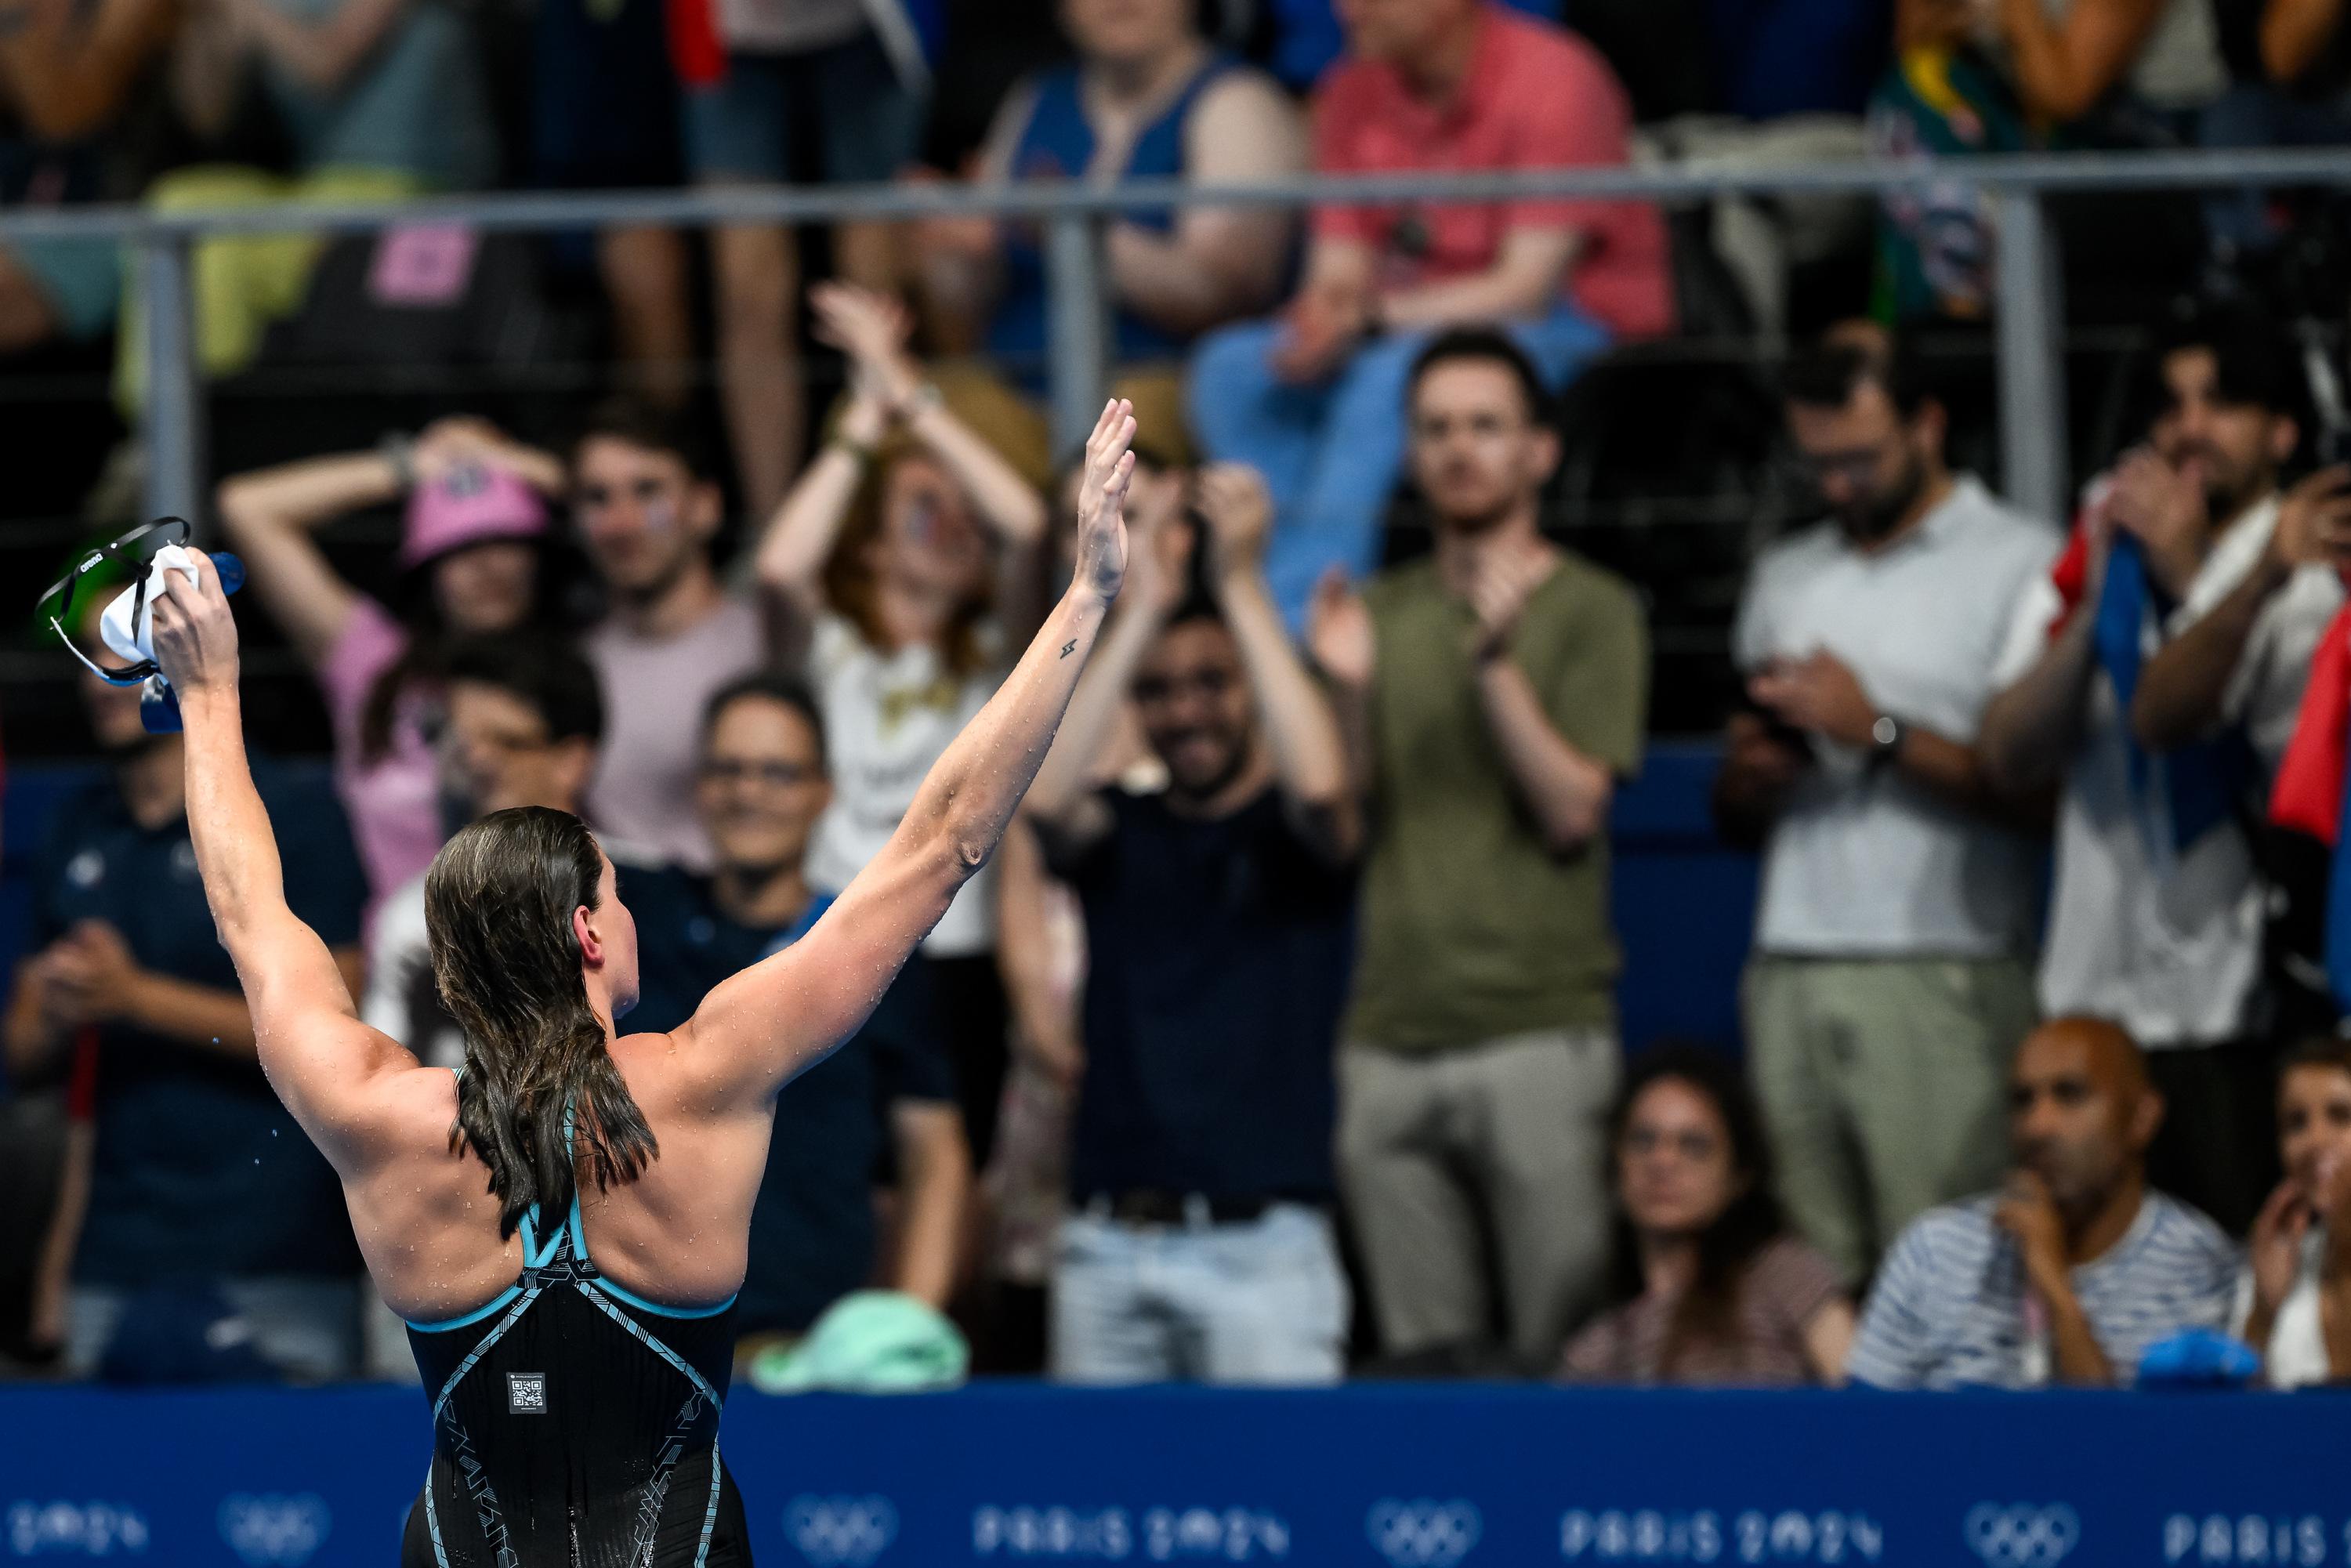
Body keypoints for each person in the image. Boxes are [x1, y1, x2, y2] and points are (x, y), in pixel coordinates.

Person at [142, 397, 1140, 1563]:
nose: (633, 907)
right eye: (616, 889)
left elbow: (250, 917)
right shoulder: (708, 1078)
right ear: (587, 934)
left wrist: (208, 697)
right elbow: (948, 837)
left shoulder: (375, 1113)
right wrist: (1085, 598)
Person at [1310, 330, 1649, 1370]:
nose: (1461, 450)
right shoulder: (1379, 612)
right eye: (1438, 429)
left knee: (1563, 1365)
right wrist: (1347, 696)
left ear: (1540, 451)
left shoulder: (1596, 608)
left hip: (1540, 1034)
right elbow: (1344, 827)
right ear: (1412, 453)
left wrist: (1495, 666)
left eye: (1486, 426)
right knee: (1425, 1374)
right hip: (1389, 1035)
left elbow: (1570, 813)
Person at [1978, 308, 2347, 1233]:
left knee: (2237, 1278)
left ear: (2282, 432)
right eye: (2173, 405)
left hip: (2238, 1003)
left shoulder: (2307, 573)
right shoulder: (2105, 551)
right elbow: (2007, 750)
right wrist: (2101, 601)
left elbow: (2180, 725)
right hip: (2090, 991)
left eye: (2221, 404)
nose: (2190, 428)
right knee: (2090, 1284)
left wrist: (2200, 583)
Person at [1715, 327, 2054, 1287]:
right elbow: (1732, 818)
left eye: (1859, 461)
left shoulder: (2021, 563)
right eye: (1817, 464)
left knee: (1943, 1284)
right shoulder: (1787, 575)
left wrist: (1878, 732)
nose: (1835, 487)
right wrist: (1752, 775)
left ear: (1928, 424)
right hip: (1786, 964)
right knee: (1809, 1290)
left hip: (1944, 966)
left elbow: (2041, 798)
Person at [1021, 463, 1360, 1385]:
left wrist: (1245, 586)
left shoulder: (1301, 843)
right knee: (1095, 1522)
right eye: (1162, 691)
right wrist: (1135, 611)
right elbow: (1042, 800)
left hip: (1265, 1248)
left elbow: (1326, 787)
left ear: (1250, 687)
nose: (1186, 710)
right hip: (1105, 1245)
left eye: (1213, 683)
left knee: (1288, 1514)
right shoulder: (1122, 832)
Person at [1186, 0, 1675, 626]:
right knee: (1232, 368)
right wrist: (1322, 322)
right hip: (1402, 320)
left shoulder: (1557, 76)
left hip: (1576, 325)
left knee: (1394, 378)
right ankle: (1263, 578)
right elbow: (1337, 270)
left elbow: (1523, 287)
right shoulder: (1349, 87)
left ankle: (1302, 624)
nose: (1345, 9)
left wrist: (1366, 321)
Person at [4, 594, 369, 1379]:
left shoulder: (293, 810)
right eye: (87, 661)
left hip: (274, 1240)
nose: (99, 683)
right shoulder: (77, 825)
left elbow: (340, 1023)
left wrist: (135, 999)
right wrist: (64, 1001)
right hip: (113, 1246)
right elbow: (26, 1051)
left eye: (120, 653)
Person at [756, 281, 1049, 1166]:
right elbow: (778, 567)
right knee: (839, 1160)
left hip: (958, 948)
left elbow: (1027, 523)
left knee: (954, 1170)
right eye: (924, 505)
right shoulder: (835, 644)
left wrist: (908, 392)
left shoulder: (998, 651)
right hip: (833, 930)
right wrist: (863, 422)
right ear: (874, 540)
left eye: (959, 509)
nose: (952, 521)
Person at [625, 675, 969, 1350]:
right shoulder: (634, 923)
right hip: (640, 1340)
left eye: (778, 773)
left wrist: (908, 1328)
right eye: (728, 769)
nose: (748, 792)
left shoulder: (874, 947)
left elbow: (934, 1152)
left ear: (824, 791)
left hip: (818, 1348)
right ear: (698, 785)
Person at [916, 0, 1303, 468]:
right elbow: (968, 295)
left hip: (1160, 394)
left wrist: (1073, 229)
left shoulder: (1235, 100)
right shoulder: (1035, 98)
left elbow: (1227, 289)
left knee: (1126, 440)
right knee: (896, 424)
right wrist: (956, 249)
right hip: (1014, 391)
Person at [216, 420, 570, 909]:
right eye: (461, 549)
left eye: (504, 541)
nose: (487, 567)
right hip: (403, 964)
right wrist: (414, 466)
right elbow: (248, 506)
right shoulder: (374, 661)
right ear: (426, 572)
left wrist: (503, 461)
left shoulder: (584, 664)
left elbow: (614, 507)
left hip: (550, 954)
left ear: (538, 555)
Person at [1848, 1018, 2240, 1390]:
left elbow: (2126, 1452)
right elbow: (1858, 1434)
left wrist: (2055, 1289)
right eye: (2022, 1100)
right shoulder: (1934, 1252)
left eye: (2070, 1095)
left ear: (2141, 1117)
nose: (2037, 1126)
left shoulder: (2194, 1263)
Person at [680, 0, 936, 516]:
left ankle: (882, 524)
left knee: (874, 293)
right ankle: (771, 528)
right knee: (749, 294)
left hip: (873, 27)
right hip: (726, 33)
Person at [363, 636, 610, 1076]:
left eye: (505, 741)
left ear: (571, 759)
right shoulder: (413, 910)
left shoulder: (650, 894)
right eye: (459, 743)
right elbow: (385, 1081)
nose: (475, 763)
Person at [1562, 1045, 1854, 1386]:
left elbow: (1865, 1412)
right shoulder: (1597, 1347)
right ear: (1616, 1165)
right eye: (1643, 1141)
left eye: (1694, 1145)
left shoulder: (1785, 1274)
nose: (1662, 1162)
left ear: (1739, 1177)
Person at [571, 397, 773, 871]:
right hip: (614, 931)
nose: (621, 522)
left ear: (705, 506)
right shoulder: (571, 667)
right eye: (597, 498)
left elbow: (784, 570)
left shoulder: (769, 640)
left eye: (647, 492)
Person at [2237, 1037, 2351, 1387]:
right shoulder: (2275, 1261)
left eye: (2340, 1115)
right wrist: (2263, 1312)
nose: (2315, 1140)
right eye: (2296, 1122)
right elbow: (2233, 1422)